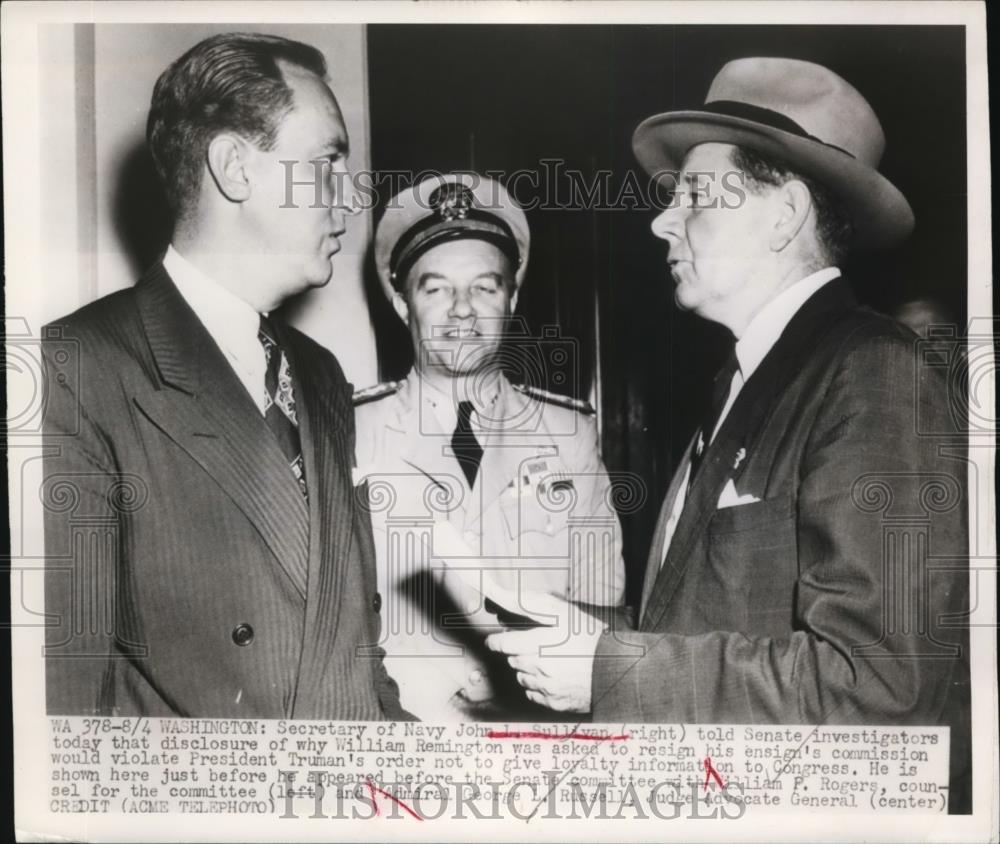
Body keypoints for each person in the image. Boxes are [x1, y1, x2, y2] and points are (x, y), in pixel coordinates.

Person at [486, 58, 970, 808]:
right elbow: (715, 614)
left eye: (693, 196)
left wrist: (609, 668)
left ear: (784, 214)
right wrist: (580, 633)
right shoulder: (747, 381)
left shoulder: (875, 373)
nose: (660, 220)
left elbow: (880, 689)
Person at [42, 32, 405, 719]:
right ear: (235, 168)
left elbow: (353, 656)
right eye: (328, 162)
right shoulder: (73, 368)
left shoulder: (321, 375)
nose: (349, 199)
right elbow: (71, 707)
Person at [354, 173, 626, 720]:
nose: (461, 310)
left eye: (484, 286)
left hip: (541, 729)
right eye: (435, 288)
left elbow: (606, 612)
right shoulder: (349, 432)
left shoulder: (567, 433)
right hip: (402, 734)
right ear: (403, 304)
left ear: (512, 298)